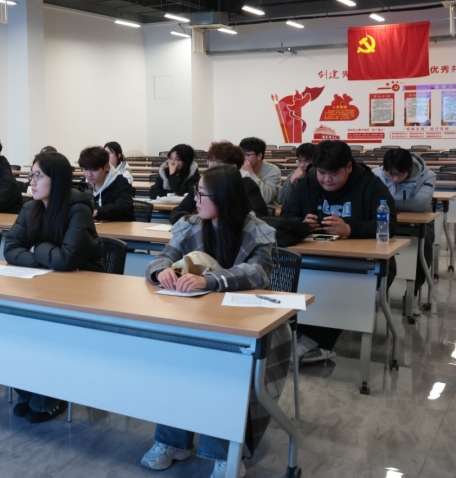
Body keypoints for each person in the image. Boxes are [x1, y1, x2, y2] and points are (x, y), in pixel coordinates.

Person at [142, 165, 280, 478]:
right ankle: (172, 441)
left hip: (246, 323)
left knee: (223, 373)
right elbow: (161, 258)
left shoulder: (256, 230)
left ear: (224, 197)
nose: (195, 199)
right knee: (174, 365)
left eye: (202, 193)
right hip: (192, 318)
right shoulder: (190, 225)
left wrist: (211, 280)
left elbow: (258, 273)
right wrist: (162, 271)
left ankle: (224, 453)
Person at [4, 152, 105, 423]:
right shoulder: (31, 208)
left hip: (81, 293)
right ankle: (27, 389)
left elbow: (66, 259)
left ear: (57, 179)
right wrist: (45, 258)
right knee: (14, 325)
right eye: (31, 175)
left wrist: (36, 248)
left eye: (38, 176)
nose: (32, 182)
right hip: (43, 285)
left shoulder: (78, 209)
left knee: (45, 330)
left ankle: (50, 395)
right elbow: (10, 248)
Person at [281, 140, 395, 364]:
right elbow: (286, 216)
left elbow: (390, 224)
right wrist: (301, 225)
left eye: (333, 174)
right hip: (312, 258)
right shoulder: (307, 182)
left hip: (359, 262)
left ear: (349, 167)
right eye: (321, 172)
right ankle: (300, 337)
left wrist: (350, 229)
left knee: (335, 286)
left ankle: (312, 341)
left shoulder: (370, 184)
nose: (326, 179)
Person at [373, 147, 436, 316]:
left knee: (425, 248)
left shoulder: (427, 176)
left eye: (399, 175)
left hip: (418, 224)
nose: (394, 179)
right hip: (384, 222)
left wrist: (384, 203)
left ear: (409, 169)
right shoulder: (376, 174)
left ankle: (412, 294)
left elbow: (420, 204)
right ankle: (375, 291)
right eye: (389, 174)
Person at [169, 141, 268, 224]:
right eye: (210, 161)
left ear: (233, 168)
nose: (211, 165)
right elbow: (178, 212)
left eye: (218, 162)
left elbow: (260, 216)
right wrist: (199, 222)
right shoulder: (202, 185)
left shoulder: (246, 184)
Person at [78, 146, 134, 221]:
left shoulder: (120, 182)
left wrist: (97, 212)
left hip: (118, 226)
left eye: (94, 170)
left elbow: (124, 207)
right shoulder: (83, 185)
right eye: (85, 169)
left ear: (106, 166)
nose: (89, 174)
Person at [239, 137, 282, 205]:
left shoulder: (272, 171)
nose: (243, 158)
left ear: (259, 156)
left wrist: (250, 173)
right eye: (241, 154)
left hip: (261, 209)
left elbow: (266, 199)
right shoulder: (237, 168)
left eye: (247, 155)